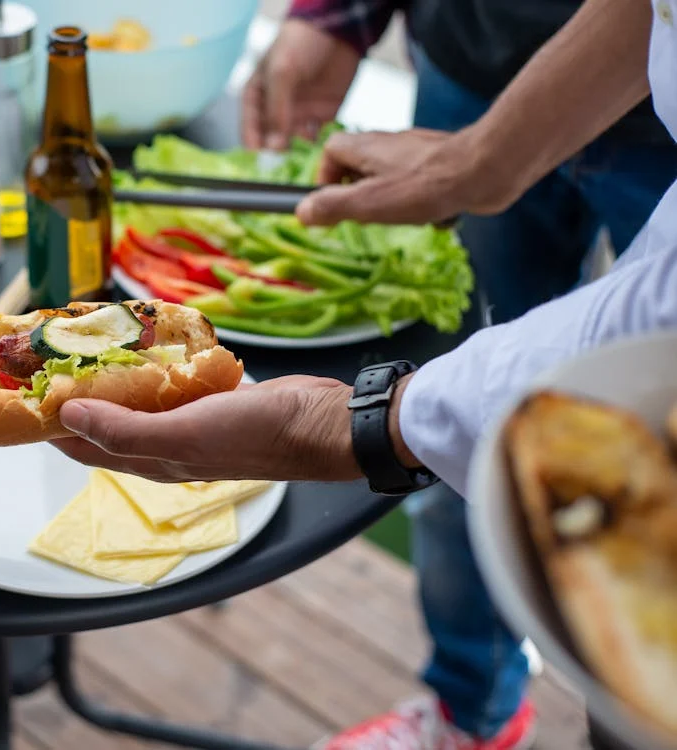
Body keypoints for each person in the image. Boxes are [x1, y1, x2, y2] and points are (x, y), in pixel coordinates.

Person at [51, 0, 677, 748]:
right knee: (456, 483)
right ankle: (471, 715)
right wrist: (344, 16)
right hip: (474, 60)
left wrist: (363, 425)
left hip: (650, 145)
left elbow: (658, 331)